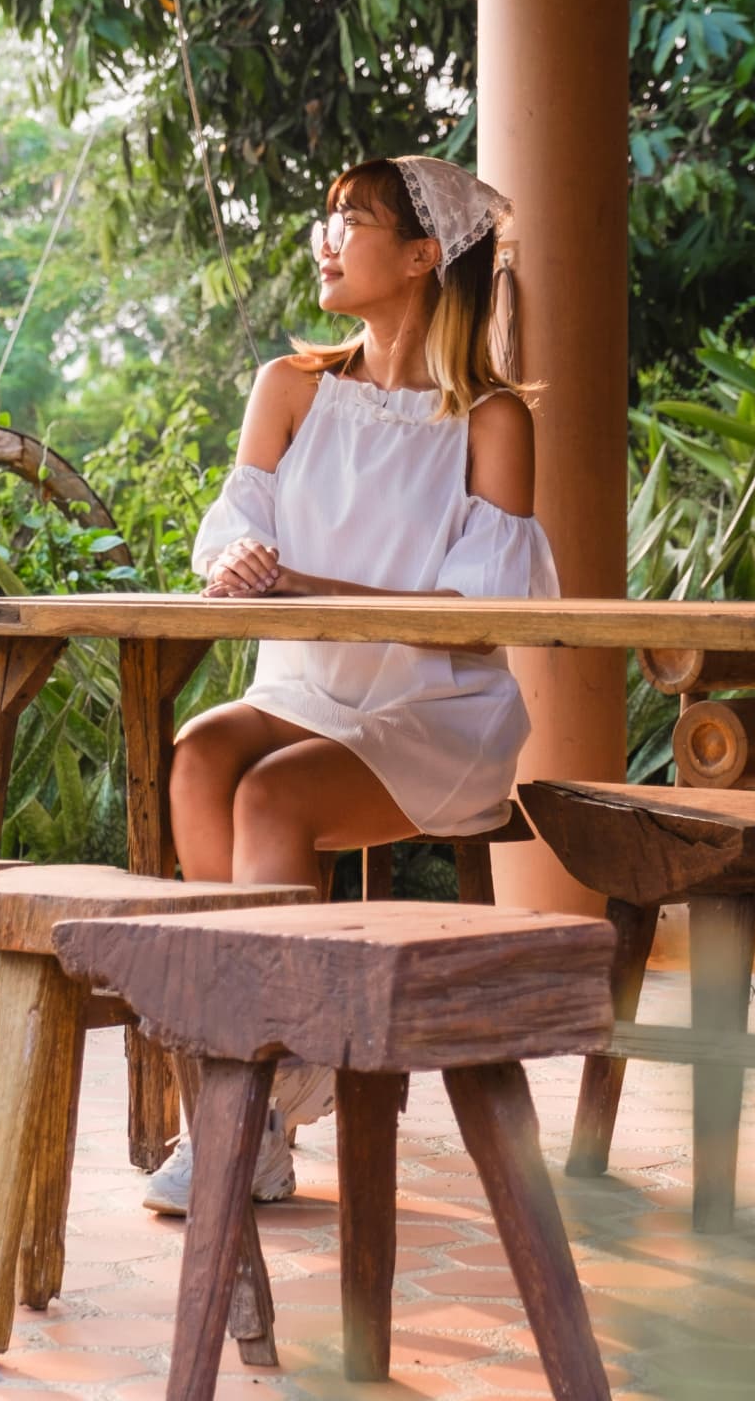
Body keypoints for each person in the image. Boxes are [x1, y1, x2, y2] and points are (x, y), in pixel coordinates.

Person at [141, 154, 560, 1216]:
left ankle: (259, 1110)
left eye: (352, 222)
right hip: (306, 688)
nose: (323, 239)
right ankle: (260, 1076)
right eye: (322, 218)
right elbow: (239, 528)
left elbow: (481, 615)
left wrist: (303, 578)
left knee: (272, 796)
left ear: (423, 257)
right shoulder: (290, 388)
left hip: (435, 710)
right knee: (198, 753)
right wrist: (233, 563)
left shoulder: (490, 420)